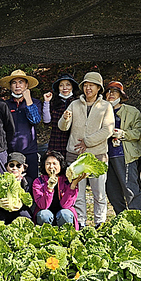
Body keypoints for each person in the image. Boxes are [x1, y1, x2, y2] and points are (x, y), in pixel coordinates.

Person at [58, 71, 114, 227]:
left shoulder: (106, 106)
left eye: (92, 86)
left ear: (98, 88)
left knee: (99, 193)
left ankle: (100, 223)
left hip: (97, 156)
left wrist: (87, 142)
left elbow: (108, 130)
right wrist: (65, 118)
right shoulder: (75, 104)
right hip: (75, 155)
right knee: (78, 192)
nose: (88, 88)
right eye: (86, 85)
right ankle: (81, 222)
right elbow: (63, 127)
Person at [105, 81, 141, 213]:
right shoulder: (101, 110)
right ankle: (121, 218)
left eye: (114, 92)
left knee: (130, 189)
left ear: (121, 95)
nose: (111, 95)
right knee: (112, 191)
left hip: (125, 155)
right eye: (108, 92)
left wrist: (123, 134)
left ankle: (138, 218)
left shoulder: (132, 111)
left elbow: (139, 132)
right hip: (104, 156)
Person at [0, 69, 42, 182]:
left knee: (32, 182)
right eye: (14, 82)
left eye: (21, 82)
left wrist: (28, 99)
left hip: (29, 150)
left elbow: (35, 120)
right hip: (10, 150)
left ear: (26, 85)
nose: (17, 85)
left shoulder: (35, 102)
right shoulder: (5, 105)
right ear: (10, 86)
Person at [32, 150, 80, 229]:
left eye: (54, 164)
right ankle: (46, 237)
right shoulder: (38, 182)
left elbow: (66, 205)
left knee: (65, 214)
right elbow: (43, 206)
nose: (51, 167)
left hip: (62, 215)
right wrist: (49, 188)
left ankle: (65, 236)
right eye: (48, 164)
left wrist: (73, 185)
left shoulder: (68, 180)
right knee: (44, 214)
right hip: (47, 215)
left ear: (61, 165)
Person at [0, 151, 33, 224]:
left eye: (18, 166)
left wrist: (22, 204)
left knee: (25, 217)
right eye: (11, 165)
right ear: (6, 167)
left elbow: (31, 202)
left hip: (19, 211)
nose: (15, 168)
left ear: (23, 168)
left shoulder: (28, 182)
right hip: (2, 210)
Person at [42, 74, 79, 155]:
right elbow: (47, 121)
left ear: (72, 87)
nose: (65, 88)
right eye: (61, 85)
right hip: (56, 141)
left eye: (68, 85)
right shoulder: (54, 102)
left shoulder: (78, 103)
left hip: (72, 142)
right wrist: (47, 102)